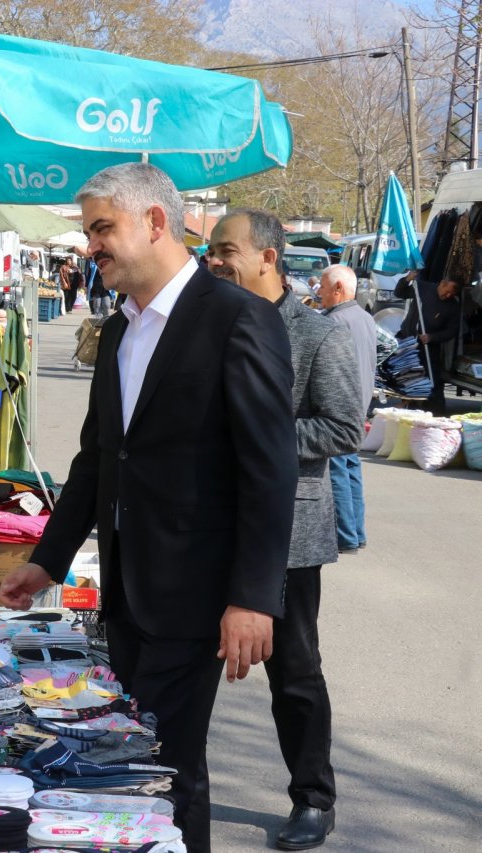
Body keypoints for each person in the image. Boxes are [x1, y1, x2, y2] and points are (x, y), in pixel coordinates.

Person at [0, 163, 297, 853]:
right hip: (127, 594)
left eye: (103, 227)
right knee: (144, 763)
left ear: (156, 222)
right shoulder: (120, 331)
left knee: (161, 766)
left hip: (194, 595)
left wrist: (254, 596)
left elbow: (270, 469)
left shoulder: (236, 319)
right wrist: (48, 560)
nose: (91, 246)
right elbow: (98, 459)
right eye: (89, 230)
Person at [208, 210, 364, 851]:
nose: (214, 260)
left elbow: (343, 429)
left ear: (268, 257)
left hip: (289, 531)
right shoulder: (207, 322)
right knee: (184, 659)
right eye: (211, 250)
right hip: (206, 523)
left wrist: (256, 438)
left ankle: (313, 799)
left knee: (294, 671)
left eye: (227, 249)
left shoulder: (317, 334)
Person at [319, 264, 378, 553]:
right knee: (351, 469)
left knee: (338, 470)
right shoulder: (365, 318)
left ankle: (345, 536)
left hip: (341, 409)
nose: (318, 293)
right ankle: (356, 532)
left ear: (338, 288)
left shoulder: (336, 322)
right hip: (360, 405)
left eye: (322, 286)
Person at [395, 270, 461, 414]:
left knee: (432, 379)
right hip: (408, 339)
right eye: (447, 291)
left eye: (452, 294)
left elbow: (451, 331)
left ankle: (436, 412)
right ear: (442, 284)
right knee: (407, 376)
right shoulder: (422, 288)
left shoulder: (453, 306)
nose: (448, 295)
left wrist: (432, 337)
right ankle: (407, 406)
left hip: (429, 346)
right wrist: (407, 279)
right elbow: (399, 293)